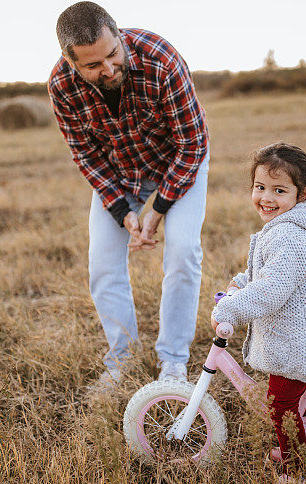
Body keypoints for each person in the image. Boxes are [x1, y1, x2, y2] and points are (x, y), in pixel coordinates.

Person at [48, 2, 210, 388]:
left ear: (118, 36)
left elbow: (192, 143)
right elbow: (85, 154)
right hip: (120, 176)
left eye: (112, 54)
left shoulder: (161, 59)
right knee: (103, 266)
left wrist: (158, 210)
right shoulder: (60, 86)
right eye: (92, 66)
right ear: (71, 63)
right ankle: (123, 362)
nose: (107, 69)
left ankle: (172, 361)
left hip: (178, 165)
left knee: (183, 252)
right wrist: (123, 210)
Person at [211, 142, 306, 484]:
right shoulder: (285, 227)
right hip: (305, 337)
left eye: (279, 190)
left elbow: (271, 292)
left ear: (301, 194)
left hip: (299, 346)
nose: (266, 197)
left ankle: (296, 473)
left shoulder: (289, 236)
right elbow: (268, 275)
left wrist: (229, 307)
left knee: (281, 407)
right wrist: (239, 283)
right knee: (294, 401)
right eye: (260, 188)